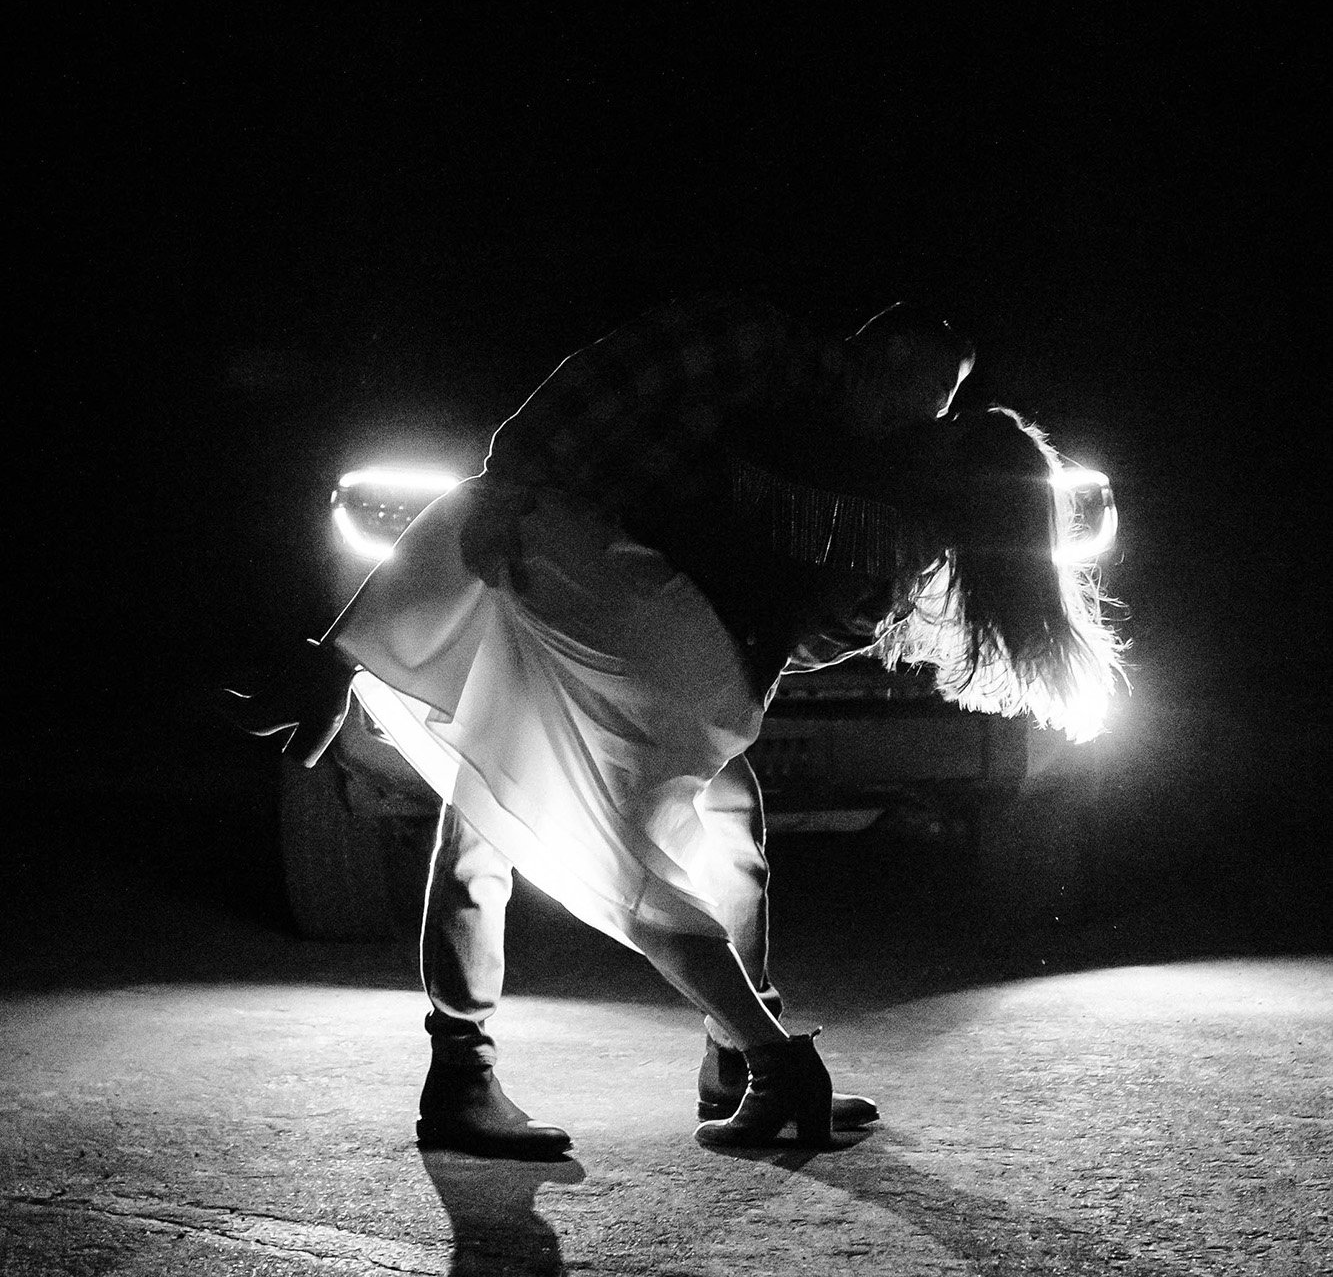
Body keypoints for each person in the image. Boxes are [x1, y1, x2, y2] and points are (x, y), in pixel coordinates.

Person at [237, 295, 1120, 1159]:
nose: (909, 420)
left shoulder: (870, 482)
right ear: (877, 353)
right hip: (650, 634)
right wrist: (518, 486)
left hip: (647, 631)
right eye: (917, 396)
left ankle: (745, 1063)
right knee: (571, 823)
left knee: (596, 831)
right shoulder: (757, 357)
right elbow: (592, 392)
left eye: (933, 414)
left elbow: (787, 600)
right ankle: (720, 1062)